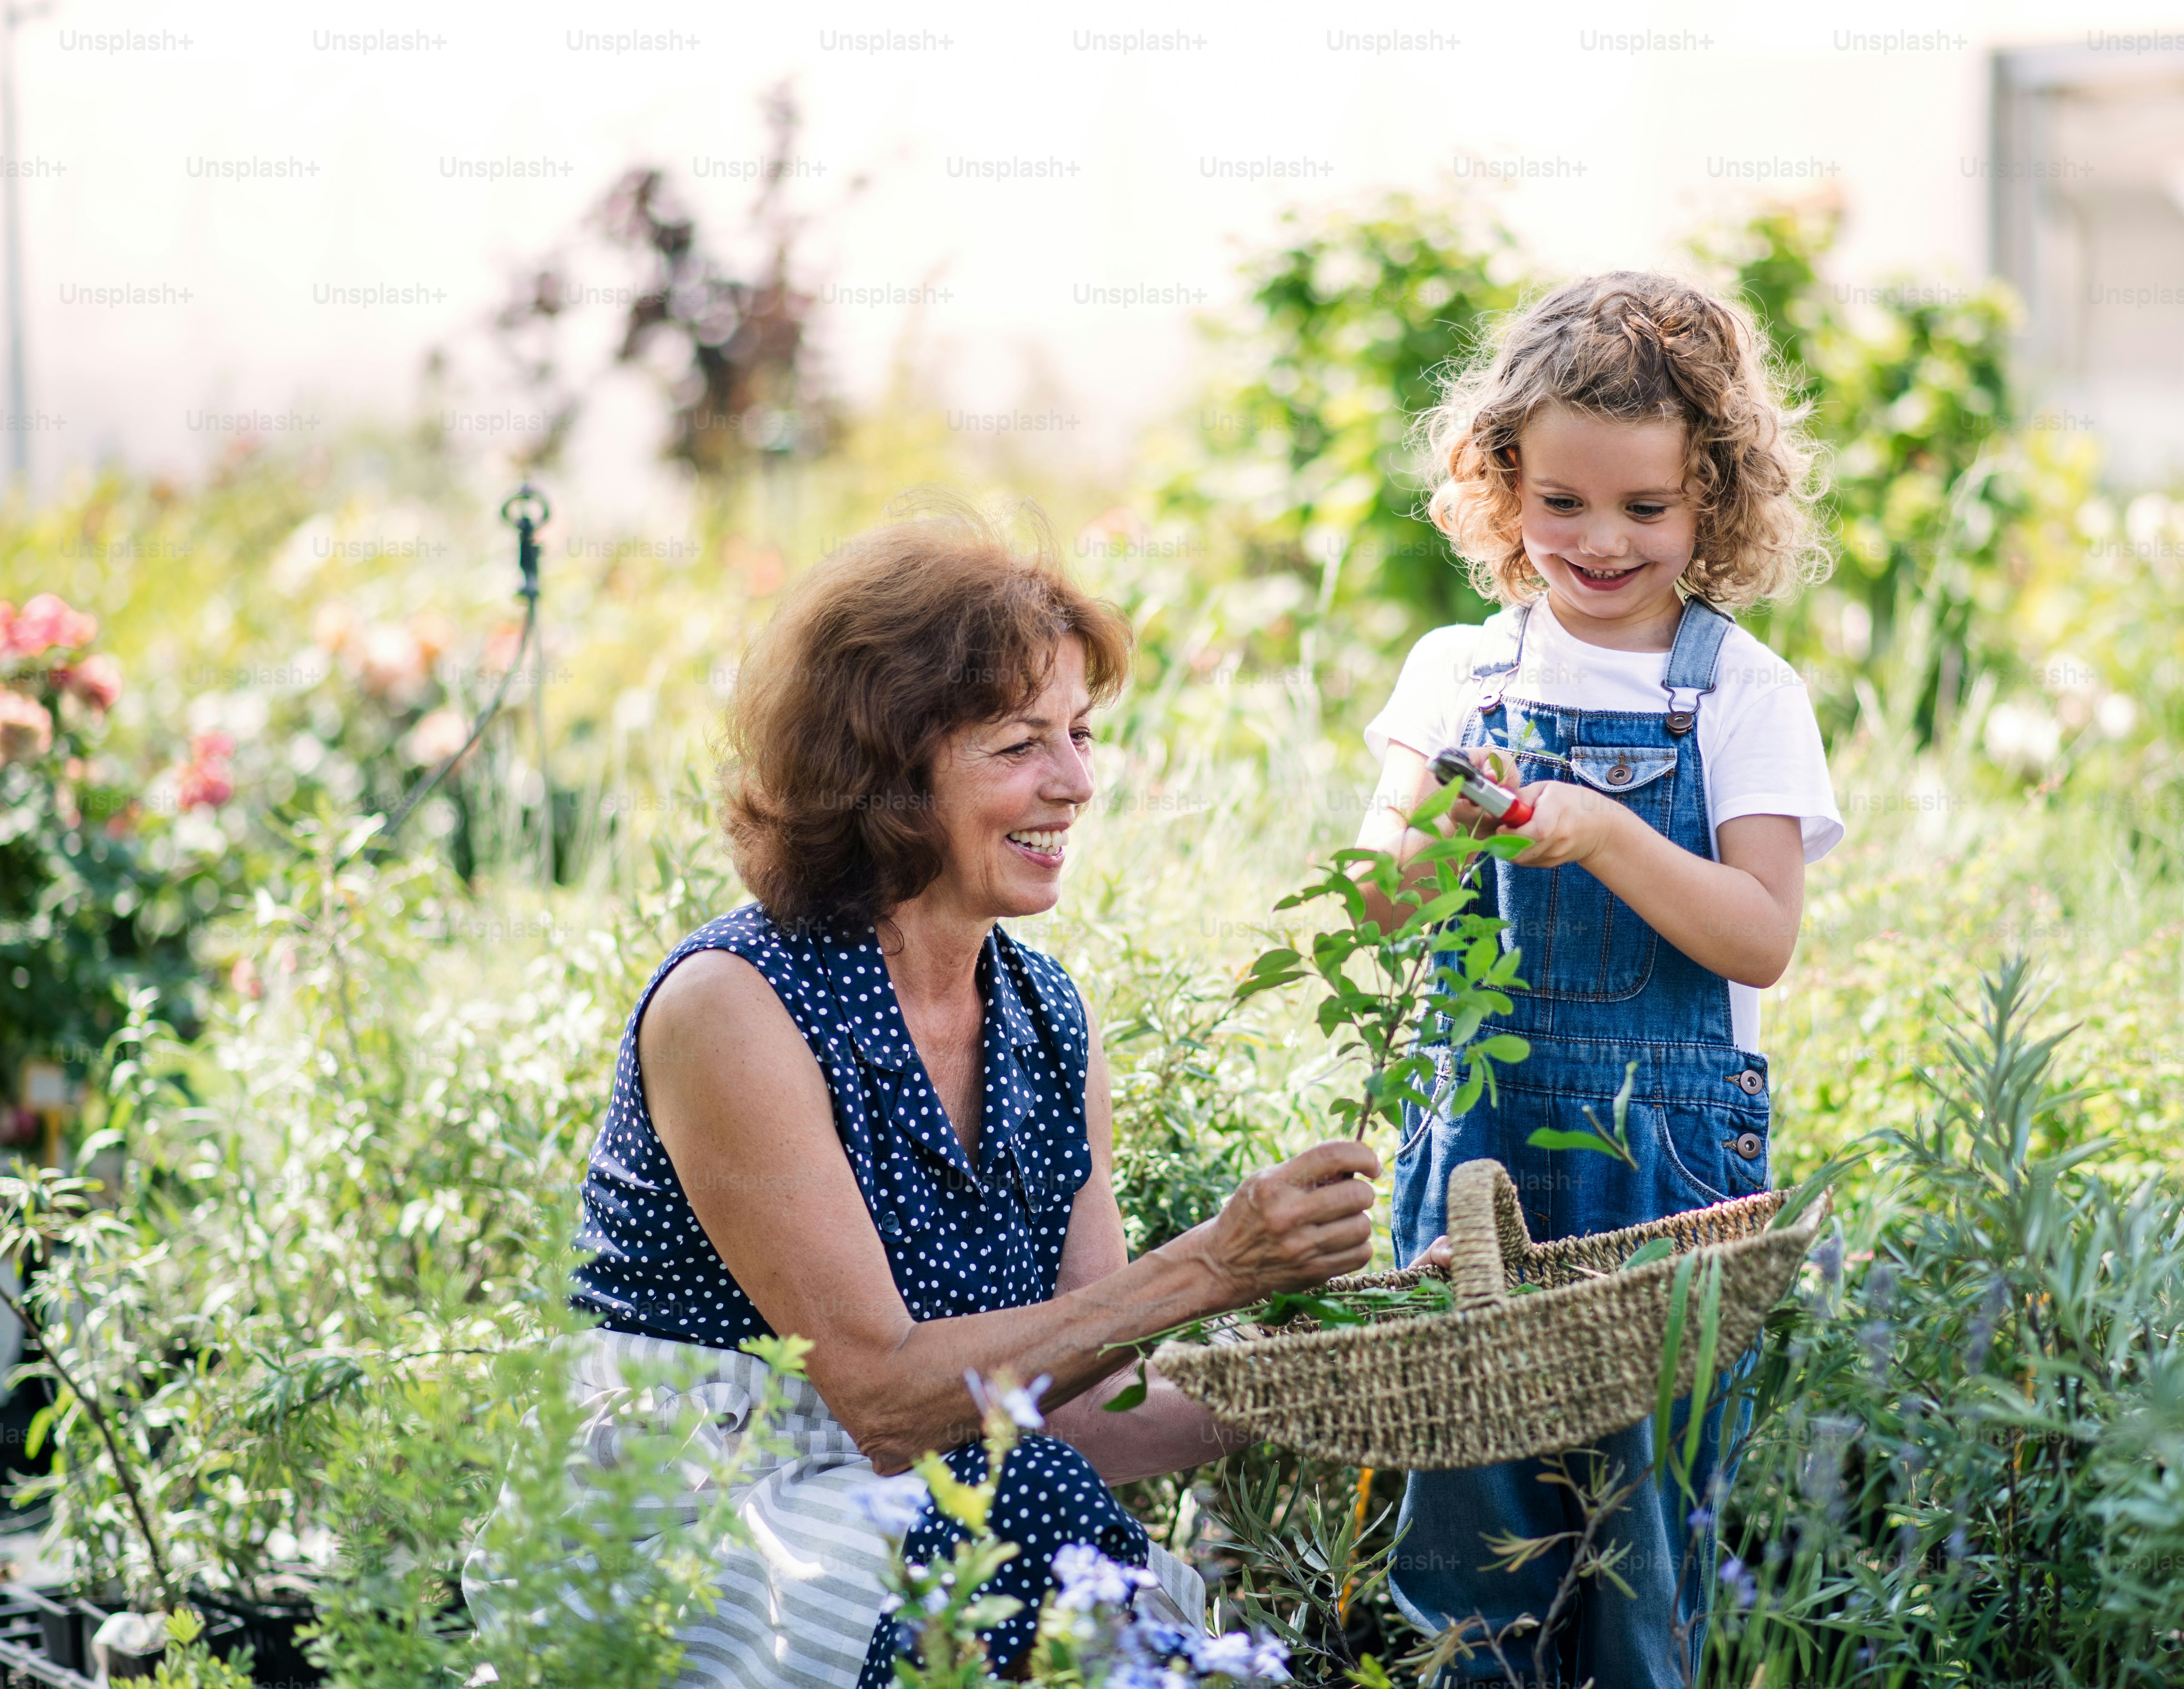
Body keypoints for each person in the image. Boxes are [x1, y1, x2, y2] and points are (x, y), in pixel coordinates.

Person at [540, 507, 1379, 1687]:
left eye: (1081, 734)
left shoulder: (1044, 1020)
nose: (1077, 782)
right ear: (885, 768)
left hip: (954, 1503)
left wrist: (1337, 1379)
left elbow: (1083, 1404)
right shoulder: (733, 1007)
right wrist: (1218, 1265)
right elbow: (884, 1400)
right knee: (1054, 1544)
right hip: (714, 1519)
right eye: (1020, 744)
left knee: (1035, 1507)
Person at [1355, 272, 1845, 1685]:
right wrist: (1450, 821)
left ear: (1716, 503)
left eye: (1648, 509)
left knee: (1642, 1557)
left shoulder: (1745, 694)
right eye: (1563, 502)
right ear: (1504, 485)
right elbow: (1376, 910)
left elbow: (1759, 934)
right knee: (1468, 1559)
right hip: (1482, 1169)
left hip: (1668, 1178)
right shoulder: (1459, 674)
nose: (1602, 540)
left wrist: (1610, 832)